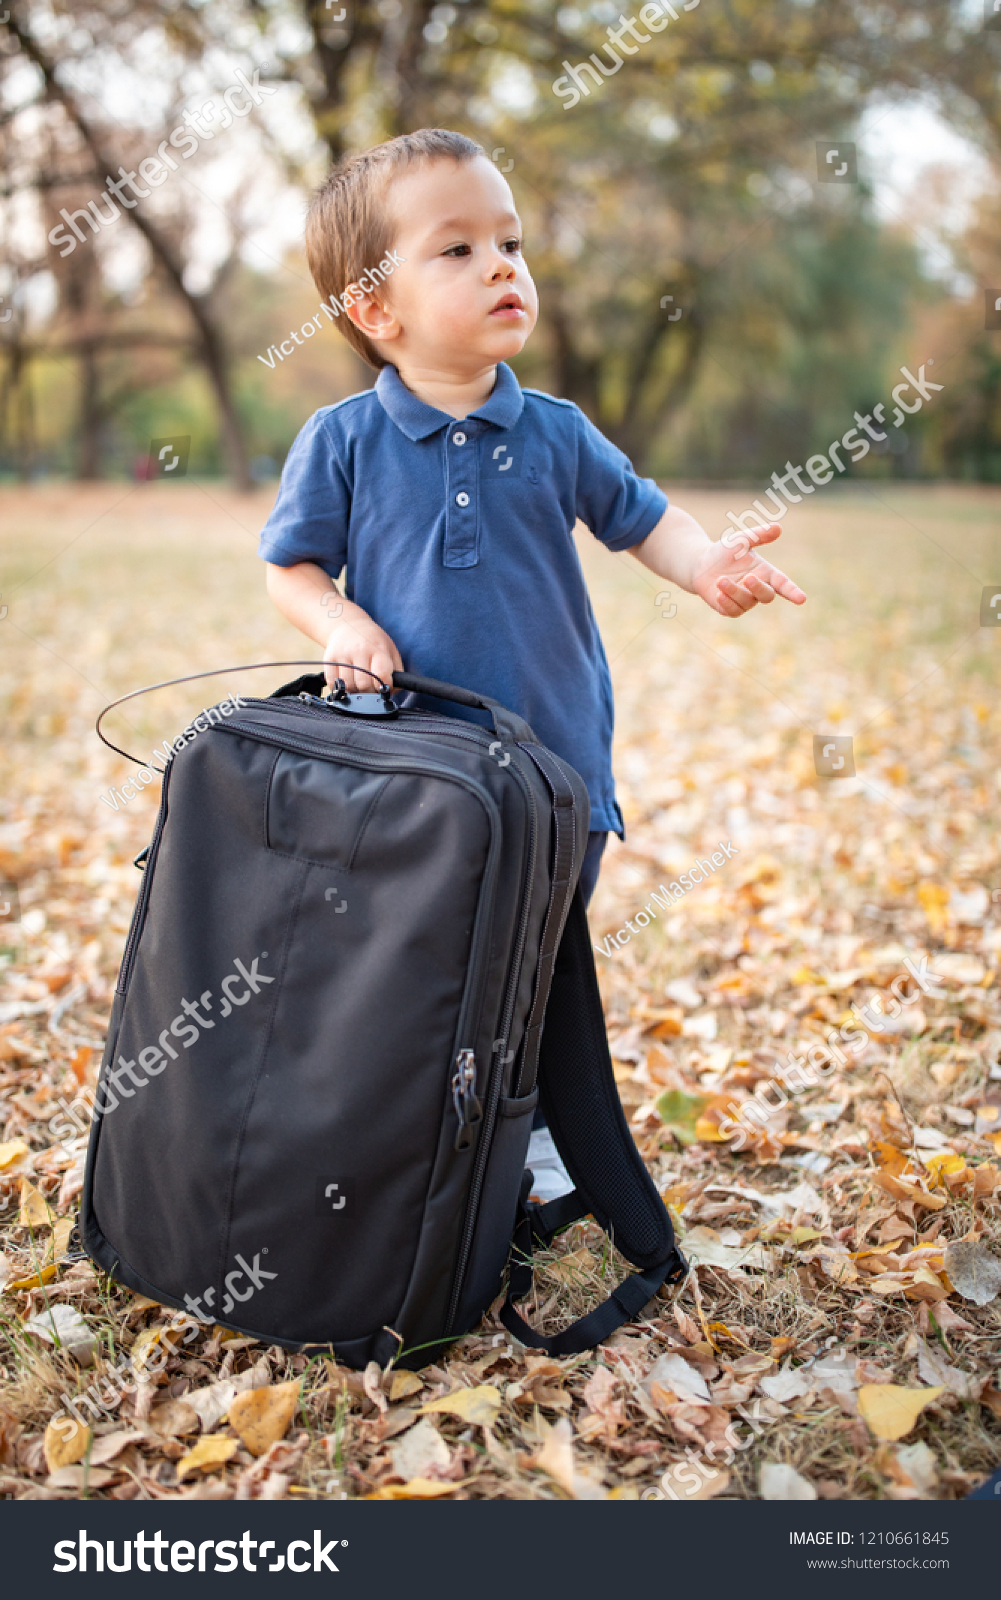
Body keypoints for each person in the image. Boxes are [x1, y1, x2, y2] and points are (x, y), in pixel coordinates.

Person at [259, 128, 806, 1198]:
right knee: (425, 957)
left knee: (539, 955)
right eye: (455, 249)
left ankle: (537, 1126)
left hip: (554, 765)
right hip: (415, 778)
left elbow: (645, 522)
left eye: (508, 242)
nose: (502, 265)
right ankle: (418, 1127)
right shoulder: (341, 442)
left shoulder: (554, 434)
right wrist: (339, 624)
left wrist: (704, 565)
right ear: (376, 308)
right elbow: (290, 569)